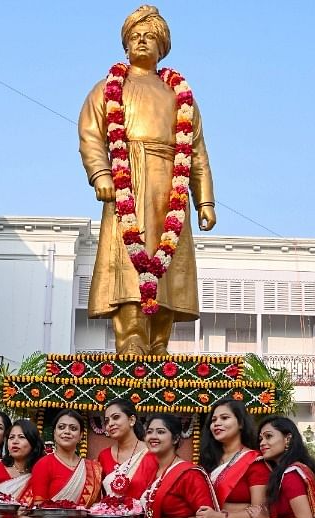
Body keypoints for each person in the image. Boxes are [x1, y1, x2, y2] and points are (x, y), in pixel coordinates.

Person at [78, 4, 216, 355]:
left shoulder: (180, 96)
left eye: (149, 37)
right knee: (127, 260)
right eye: (135, 37)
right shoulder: (108, 89)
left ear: (161, 46)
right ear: (125, 46)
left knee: (168, 264)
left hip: (171, 182)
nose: (141, 42)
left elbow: (197, 150)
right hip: (130, 180)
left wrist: (205, 200)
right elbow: (92, 135)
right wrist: (101, 173)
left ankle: (159, 341)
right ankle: (131, 338)